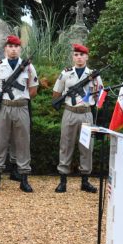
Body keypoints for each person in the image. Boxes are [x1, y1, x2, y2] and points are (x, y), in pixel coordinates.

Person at [0, 35, 38, 192]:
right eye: (10, 46)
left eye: (16, 46)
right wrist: (5, 97)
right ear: (5, 49)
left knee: (23, 142)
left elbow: (33, 90)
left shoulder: (28, 67)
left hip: (21, 107)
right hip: (3, 106)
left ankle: (24, 178)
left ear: (20, 49)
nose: (13, 49)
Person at [51, 43, 100, 193]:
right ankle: (63, 180)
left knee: (86, 147)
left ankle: (85, 180)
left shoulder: (94, 75)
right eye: (76, 55)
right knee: (65, 145)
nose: (79, 57)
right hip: (70, 112)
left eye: (82, 55)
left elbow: (99, 95)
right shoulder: (66, 73)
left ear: (87, 57)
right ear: (73, 57)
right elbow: (56, 93)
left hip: (86, 113)